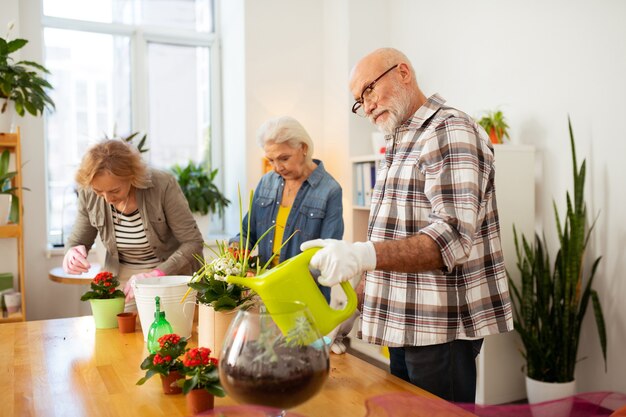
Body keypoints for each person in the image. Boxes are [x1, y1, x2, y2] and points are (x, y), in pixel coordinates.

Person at [301, 48, 513, 403]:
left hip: (439, 330)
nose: (366, 107)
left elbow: (453, 237)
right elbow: (390, 241)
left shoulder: (449, 130)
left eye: (368, 90)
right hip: (403, 324)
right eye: (358, 101)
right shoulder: (399, 141)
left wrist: (360, 255)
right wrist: (351, 309)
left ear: (402, 72)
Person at [63, 139, 204, 310]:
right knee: (117, 332)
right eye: (99, 191)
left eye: (115, 191)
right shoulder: (88, 192)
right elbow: (78, 241)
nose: (107, 199)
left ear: (133, 177)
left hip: (169, 274)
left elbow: (193, 242)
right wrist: (72, 253)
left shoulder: (162, 185)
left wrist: (155, 274)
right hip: (122, 276)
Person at [230, 116, 344, 303]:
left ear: (304, 148)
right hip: (265, 293)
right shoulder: (266, 183)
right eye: (271, 160)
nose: (277, 167)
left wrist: (282, 279)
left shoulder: (330, 190)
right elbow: (246, 232)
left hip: (305, 297)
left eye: (284, 158)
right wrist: (237, 251)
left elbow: (328, 254)